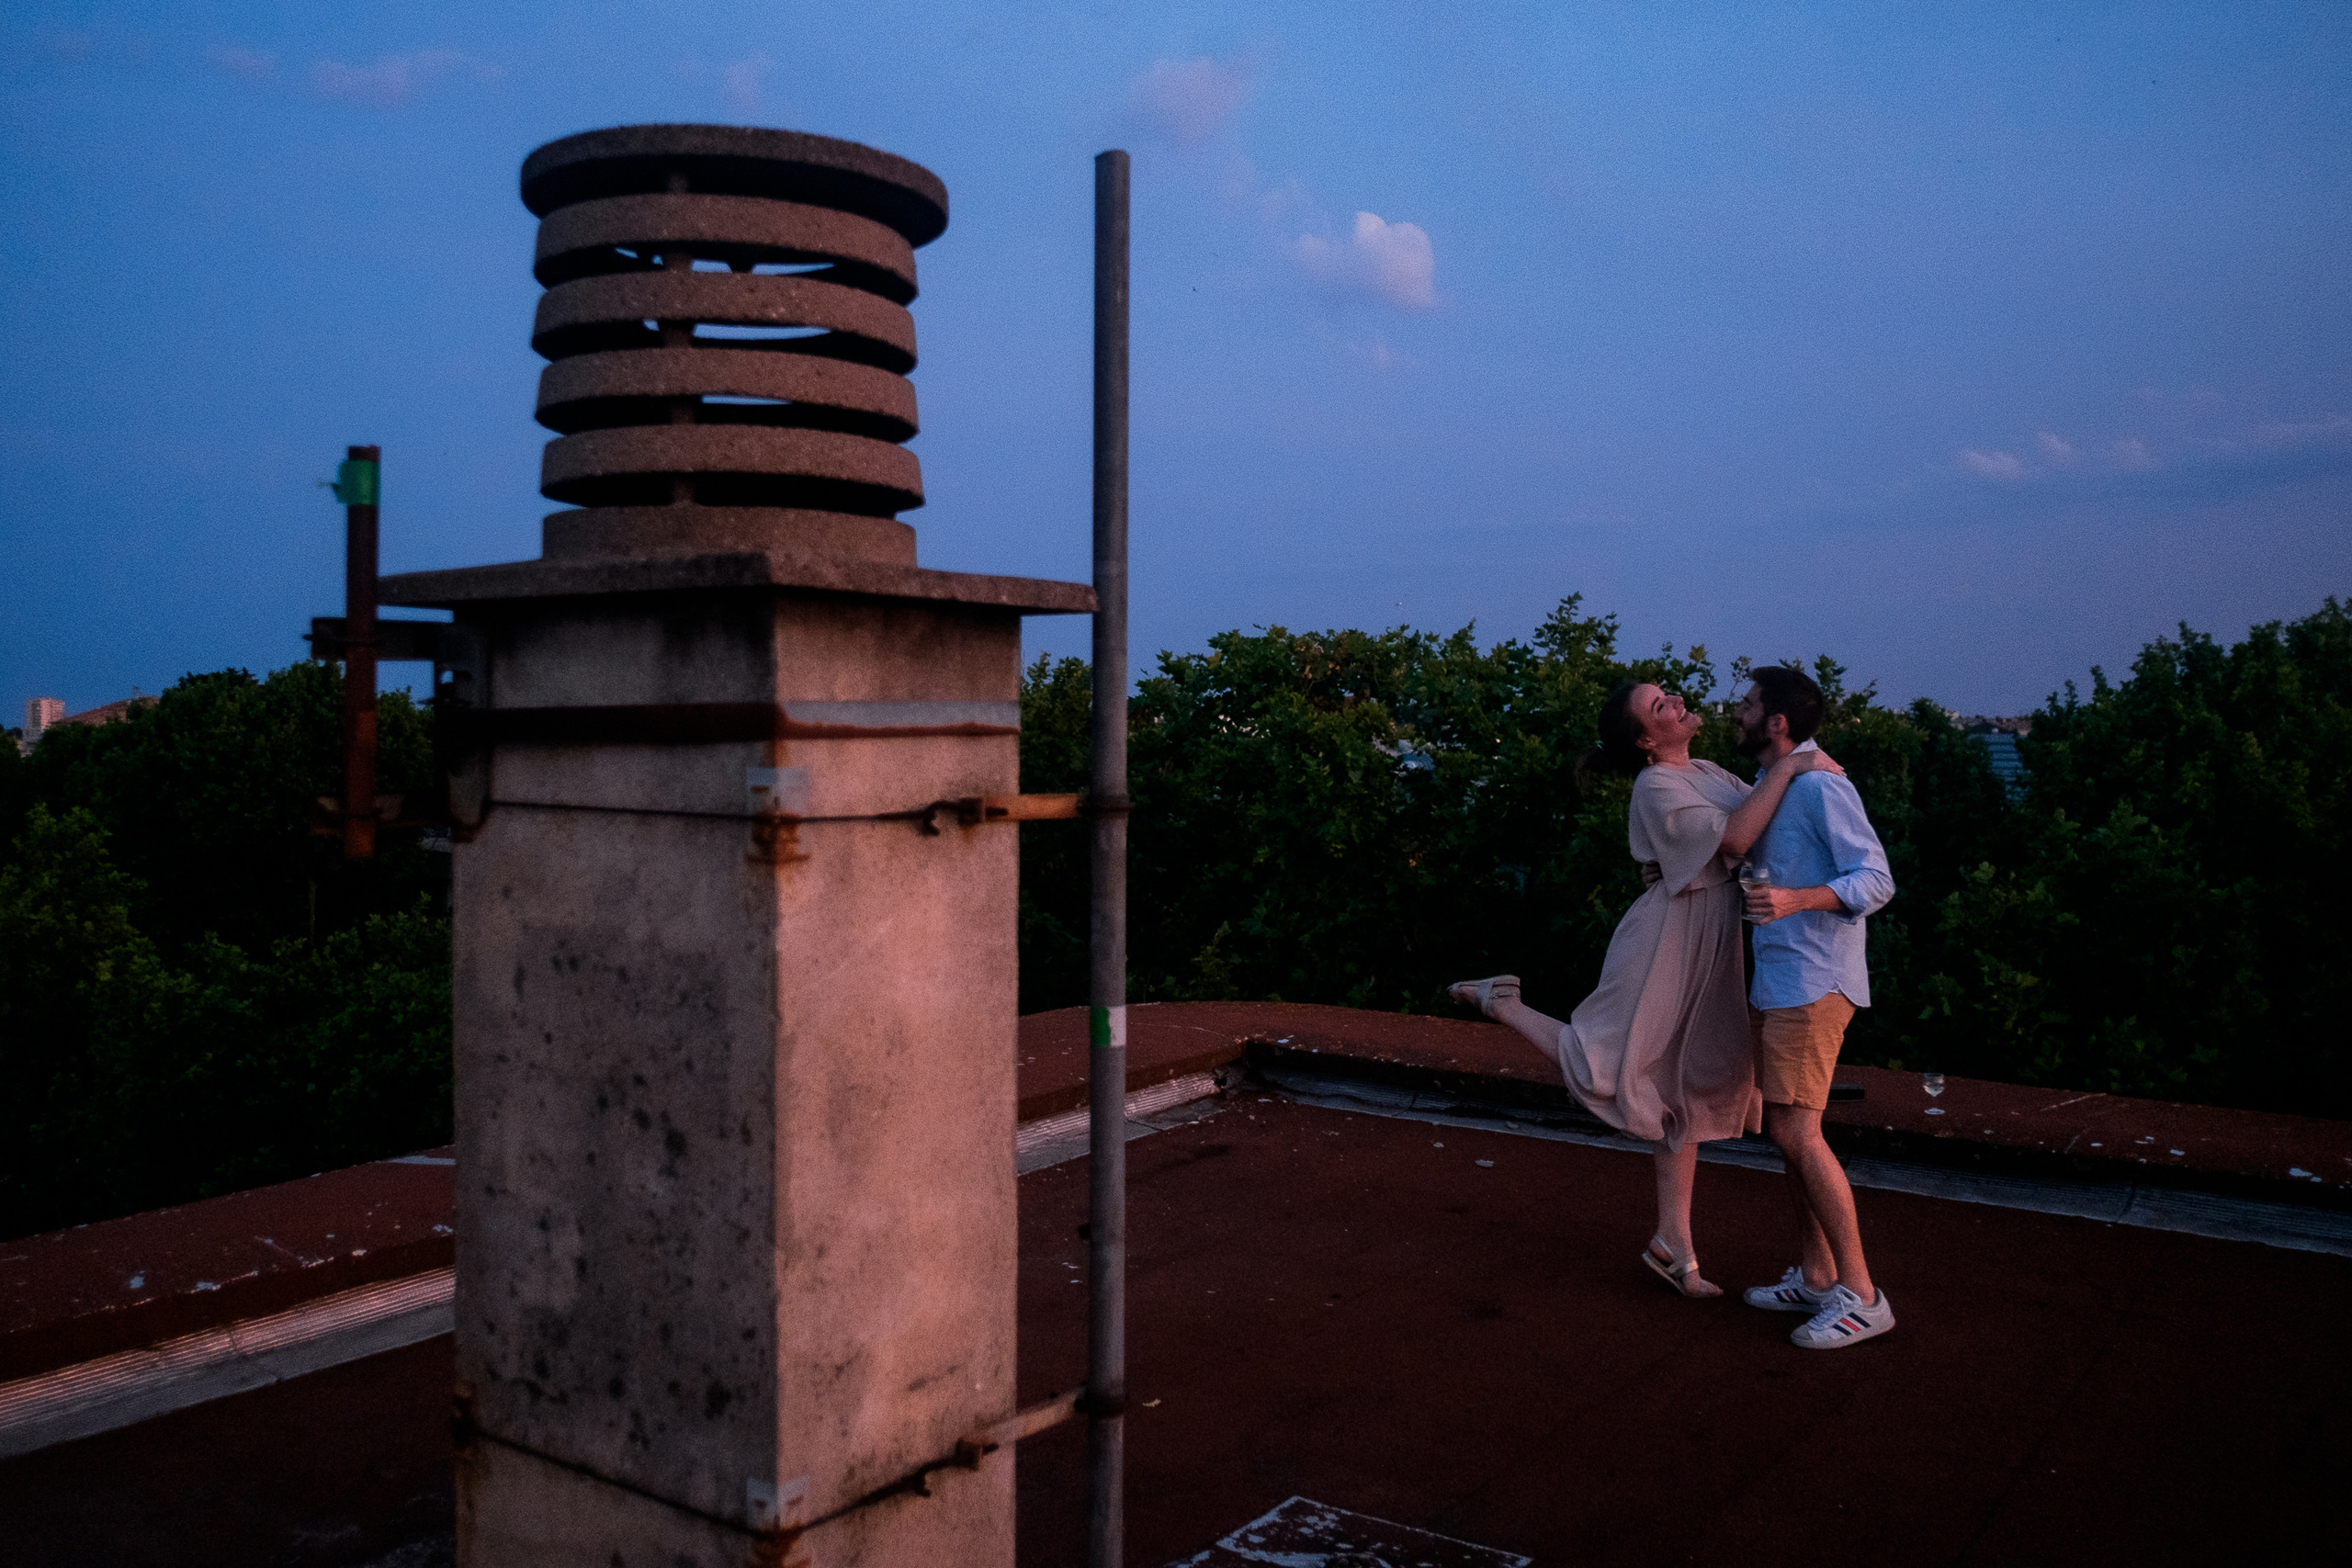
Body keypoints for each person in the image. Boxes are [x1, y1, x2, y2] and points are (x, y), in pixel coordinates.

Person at [1449, 681, 1843, 1298]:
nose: (1678, 704)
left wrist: (1805, 783)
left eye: (1669, 697)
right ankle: (1504, 1002)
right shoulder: (1655, 784)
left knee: (1680, 1088)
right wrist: (1795, 761)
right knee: (1606, 1060)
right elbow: (1738, 839)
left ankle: (1671, 1244)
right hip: (1665, 941)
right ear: (1645, 740)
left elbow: (1760, 822)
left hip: (1709, 946)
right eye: (1661, 708)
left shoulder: (1707, 769)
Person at [1731, 666, 1898, 1349]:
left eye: (1745, 703)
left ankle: (1862, 1294)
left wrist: (1797, 899)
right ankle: (1815, 1271)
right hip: (1781, 978)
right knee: (1784, 1128)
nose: (1734, 711)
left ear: (1775, 721)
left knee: (1799, 1131)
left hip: (1814, 981)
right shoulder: (1775, 786)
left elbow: (1877, 878)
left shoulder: (1824, 785)